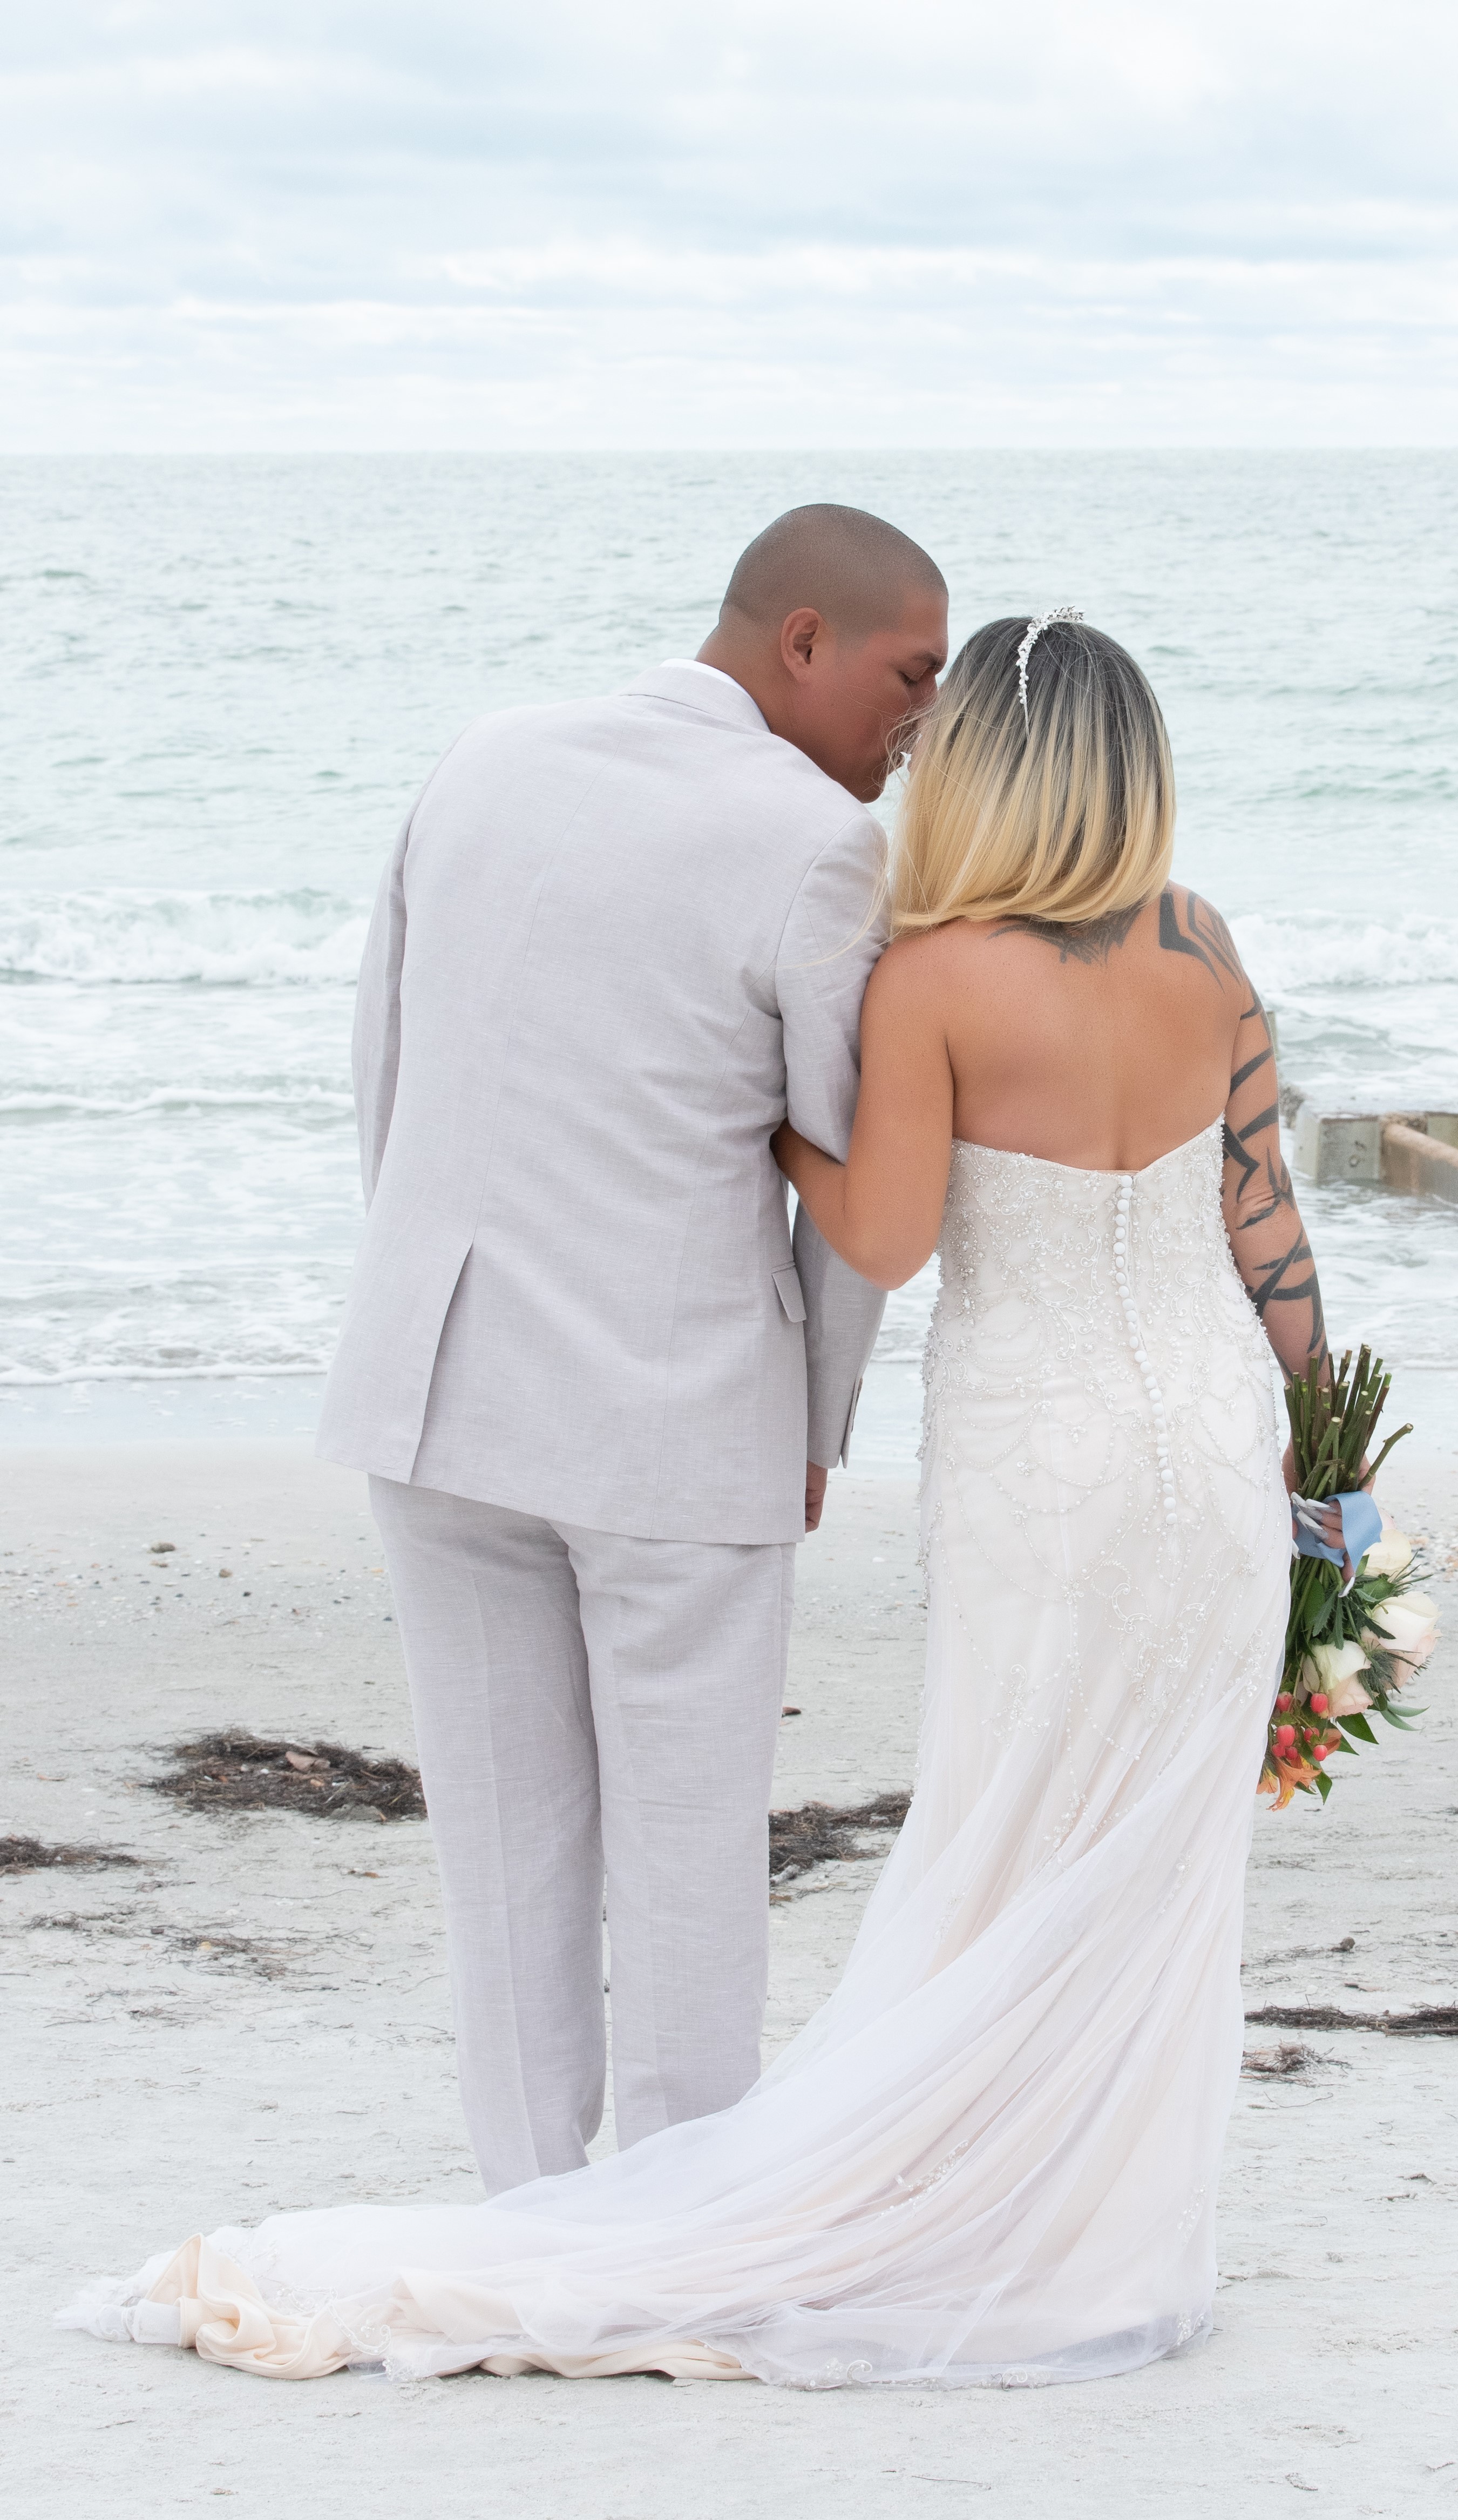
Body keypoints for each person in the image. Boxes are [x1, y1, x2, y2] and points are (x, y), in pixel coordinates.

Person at [63, 610, 1333, 2390]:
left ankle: (877, 2215)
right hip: (1208, 1451)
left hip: (1042, 1464)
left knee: (1005, 1828)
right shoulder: (1209, 952)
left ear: (990, 775)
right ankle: (1102, 2238)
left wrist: (760, 1124)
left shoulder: (940, 972)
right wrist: (1328, 1473)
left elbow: (881, 1235)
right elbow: (1264, 1223)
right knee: (1146, 1853)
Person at [311, 503, 949, 2195]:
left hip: (438, 1384)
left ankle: (531, 2210)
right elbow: (854, 1171)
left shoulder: (485, 757)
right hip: (675, 1421)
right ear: (800, 639)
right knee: (684, 1860)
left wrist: (416, 1301)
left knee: (503, 1847)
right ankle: (678, 2225)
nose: (925, 721)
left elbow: (388, 1058)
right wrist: (812, 1420)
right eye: (911, 674)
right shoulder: (820, 844)